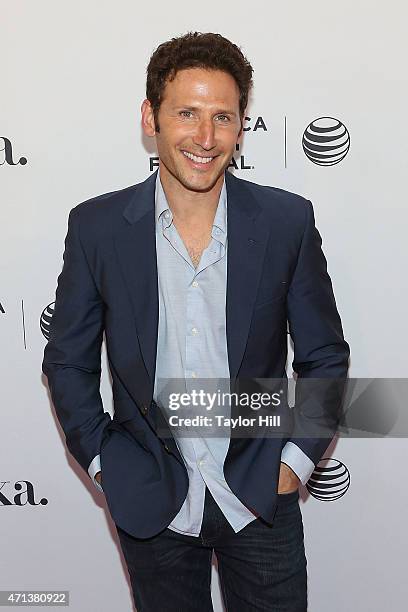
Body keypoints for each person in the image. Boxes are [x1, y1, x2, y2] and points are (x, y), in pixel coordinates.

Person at [42, 31, 350, 612]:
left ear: (240, 126)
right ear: (150, 118)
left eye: (222, 117)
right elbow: (67, 361)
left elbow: (324, 356)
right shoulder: (97, 228)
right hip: (150, 497)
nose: (205, 138)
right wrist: (107, 463)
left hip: (261, 492)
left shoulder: (286, 222)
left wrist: (295, 462)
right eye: (187, 113)